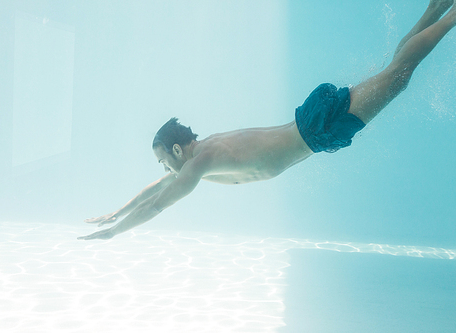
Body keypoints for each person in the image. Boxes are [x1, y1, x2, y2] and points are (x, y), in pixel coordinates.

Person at [78, 1, 456, 240]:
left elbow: (158, 204)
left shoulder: (204, 160)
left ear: (178, 149)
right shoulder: (202, 154)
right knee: (396, 72)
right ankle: (435, 9)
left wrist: (115, 232)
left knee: (400, 75)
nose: (166, 167)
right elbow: (156, 188)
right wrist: (117, 211)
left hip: (317, 128)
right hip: (314, 127)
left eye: (164, 159)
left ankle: (450, 12)